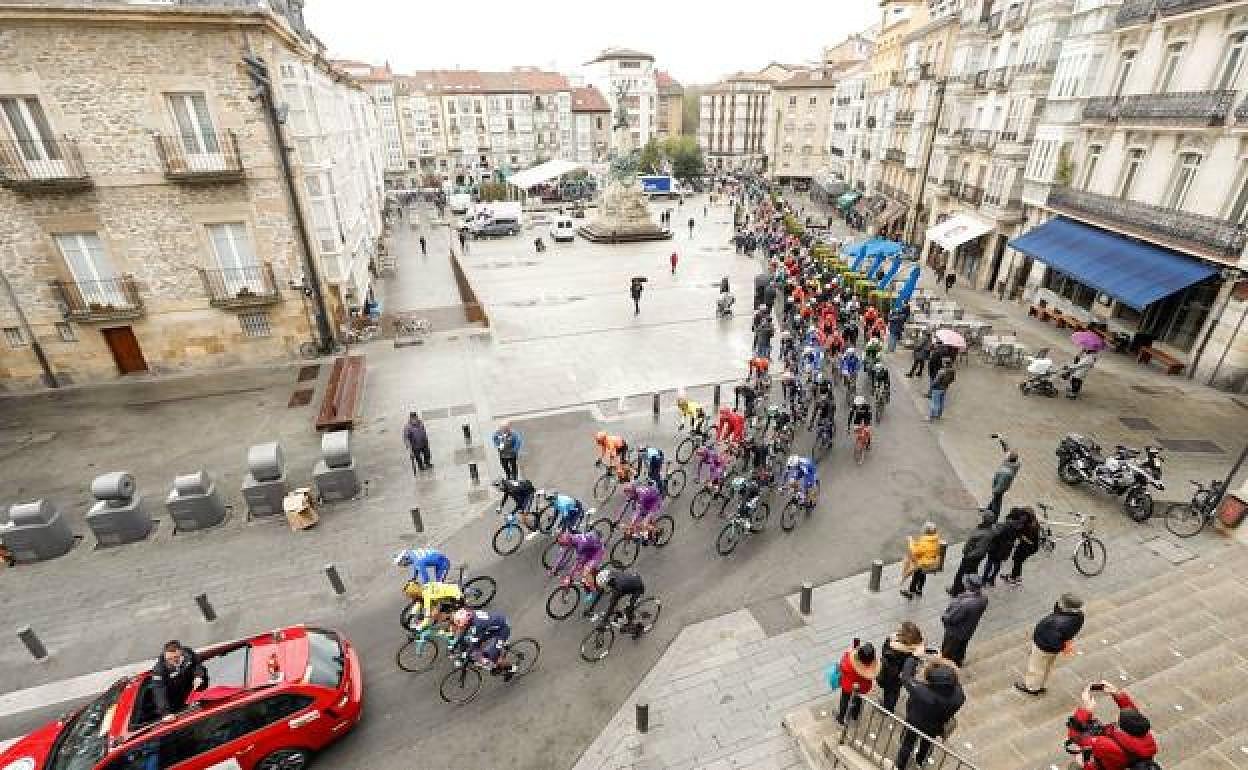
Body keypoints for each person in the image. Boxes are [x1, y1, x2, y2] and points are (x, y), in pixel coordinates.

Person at [894, 657, 965, 770]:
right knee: (927, 744)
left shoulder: (921, 691)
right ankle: (920, 760)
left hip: (914, 721)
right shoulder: (959, 696)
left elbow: (906, 678)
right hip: (935, 726)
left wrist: (912, 658)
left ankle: (900, 765)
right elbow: (957, 685)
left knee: (907, 743)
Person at [1016, 593, 1085, 695]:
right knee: (1047, 666)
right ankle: (1041, 684)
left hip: (1044, 647)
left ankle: (1032, 687)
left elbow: (1053, 640)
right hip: (1054, 648)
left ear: (1066, 607)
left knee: (1036, 667)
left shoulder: (1055, 623)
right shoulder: (1079, 615)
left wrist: (1058, 646)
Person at [449, 609, 517, 680]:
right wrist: (454, 645)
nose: (459, 628)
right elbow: (463, 633)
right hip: (492, 627)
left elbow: (473, 643)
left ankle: (512, 668)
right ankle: (489, 658)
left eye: (461, 626)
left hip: (502, 630)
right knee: (474, 645)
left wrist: (464, 656)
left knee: (493, 656)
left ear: (466, 622)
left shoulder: (478, 625)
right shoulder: (470, 616)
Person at [151, 640, 207, 718]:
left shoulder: (188, 653)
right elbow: (159, 691)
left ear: (181, 652)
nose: (172, 661)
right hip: (175, 702)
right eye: (169, 659)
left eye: (175, 657)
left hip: (195, 693)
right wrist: (165, 713)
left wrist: (198, 676)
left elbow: (197, 664)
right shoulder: (159, 670)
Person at [941, 574, 987, 666]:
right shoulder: (984, 598)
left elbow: (951, 619)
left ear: (970, 586)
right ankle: (958, 662)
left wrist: (944, 616)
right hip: (968, 630)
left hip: (955, 633)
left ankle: (948, 666)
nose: (964, 582)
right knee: (961, 648)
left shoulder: (965, 604)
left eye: (966, 582)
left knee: (948, 652)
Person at [877, 622, 924, 713]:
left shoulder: (891, 645)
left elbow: (884, 654)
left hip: (889, 674)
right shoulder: (916, 650)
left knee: (888, 692)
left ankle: (887, 709)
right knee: (895, 692)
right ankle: (890, 706)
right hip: (900, 676)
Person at [588, 568, 646, 638]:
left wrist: (604, 621)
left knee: (628, 610)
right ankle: (621, 614)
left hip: (637, 587)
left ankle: (636, 628)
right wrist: (591, 608)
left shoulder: (617, 588)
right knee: (613, 601)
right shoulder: (609, 576)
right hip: (629, 581)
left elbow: (611, 606)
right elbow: (600, 593)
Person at [947, 512, 995, 595]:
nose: (982, 518)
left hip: (972, 557)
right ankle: (965, 588)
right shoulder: (987, 529)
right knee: (971, 572)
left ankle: (955, 591)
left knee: (961, 573)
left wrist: (968, 555)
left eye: (984, 517)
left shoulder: (985, 534)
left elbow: (980, 549)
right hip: (974, 556)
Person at [834, 641, 881, 724]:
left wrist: (848, 652)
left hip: (848, 686)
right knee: (858, 699)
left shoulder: (849, 662)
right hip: (863, 687)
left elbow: (842, 664)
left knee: (845, 699)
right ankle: (855, 715)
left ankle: (841, 717)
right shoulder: (870, 667)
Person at [981, 506, 1021, 586]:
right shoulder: (1018, 527)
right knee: (997, 564)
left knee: (989, 563)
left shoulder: (1005, 526)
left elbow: (996, 535)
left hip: (996, 548)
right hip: (1005, 550)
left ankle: (984, 579)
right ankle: (992, 579)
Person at [901, 522, 941, 599]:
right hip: (930, 562)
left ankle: (910, 592)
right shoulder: (935, 540)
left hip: (923, 562)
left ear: (926, 531)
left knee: (916, 576)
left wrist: (910, 541)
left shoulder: (925, 542)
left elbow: (914, 551)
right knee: (923, 575)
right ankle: (919, 589)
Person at [1004, 507, 1041, 584]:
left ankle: (1013, 578)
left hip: (1028, 547)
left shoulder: (1031, 526)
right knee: (1018, 561)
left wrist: (1020, 535)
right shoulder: (1032, 523)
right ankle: (1017, 576)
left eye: (1024, 515)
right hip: (1027, 546)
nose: (1022, 516)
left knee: (1017, 560)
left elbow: (1029, 540)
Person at [988, 451, 1021, 516]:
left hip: (999, 487)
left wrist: (995, 489)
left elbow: (1000, 482)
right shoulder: (1015, 466)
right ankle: (990, 508)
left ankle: (994, 514)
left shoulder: (1005, 470)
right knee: (997, 498)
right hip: (1004, 487)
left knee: (997, 500)